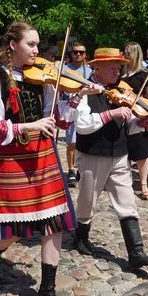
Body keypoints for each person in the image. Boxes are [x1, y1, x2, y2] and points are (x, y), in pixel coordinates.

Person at [0, 21, 84, 296]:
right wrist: (28, 126)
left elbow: (58, 121)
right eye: (31, 44)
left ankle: (47, 290)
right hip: (12, 158)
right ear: (13, 45)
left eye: (38, 45)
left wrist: (75, 97)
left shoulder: (43, 77)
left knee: (54, 223)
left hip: (44, 156)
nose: (38, 51)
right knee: (16, 228)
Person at [73, 47, 148, 269]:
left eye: (119, 66)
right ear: (97, 67)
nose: (117, 70)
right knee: (87, 201)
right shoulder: (84, 90)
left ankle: (136, 252)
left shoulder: (122, 90)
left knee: (127, 202)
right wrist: (110, 114)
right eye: (112, 66)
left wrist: (141, 124)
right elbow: (82, 126)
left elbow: (128, 126)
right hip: (93, 154)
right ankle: (80, 238)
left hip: (120, 155)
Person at [123, 42, 148, 200]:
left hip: (138, 116)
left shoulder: (145, 75)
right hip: (123, 116)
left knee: (142, 153)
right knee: (124, 153)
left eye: (127, 53)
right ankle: (125, 183)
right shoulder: (121, 76)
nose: (125, 56)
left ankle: (143, 184)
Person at [64, 43, 92, 188]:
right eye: (75, 52)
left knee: (83, 140)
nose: (78, 55)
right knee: (72, 141)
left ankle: (81, 168)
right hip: (70, 106)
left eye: (81, 52)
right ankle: (71, 170)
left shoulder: (89, 71)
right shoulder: (65, 69)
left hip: (85, 107)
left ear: (85, 54)